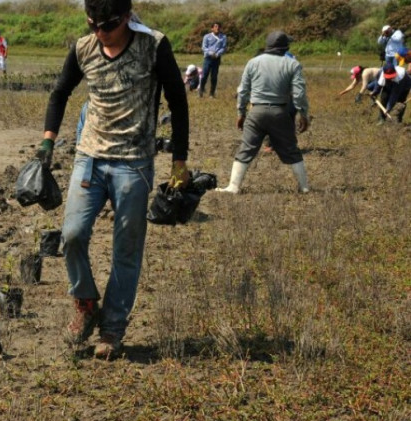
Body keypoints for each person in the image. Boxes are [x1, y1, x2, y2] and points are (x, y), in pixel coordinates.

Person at [37, 0, 189, 356]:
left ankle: (113, 329)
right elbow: (60, 92)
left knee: (126, 248)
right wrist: (47, 141)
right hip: (89, 157)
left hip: (133, 164)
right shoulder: (84, 47)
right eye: (94, 25)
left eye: (108, 26)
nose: (100, 33)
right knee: (72, 234)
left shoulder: (153, 44)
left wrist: (179, 161)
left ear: (127, 16)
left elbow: (178, 101)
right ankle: (86, 304)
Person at [218, 31, 310, 195]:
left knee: (245, 149)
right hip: (280, 113)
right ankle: (303, 187)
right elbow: (299, 94)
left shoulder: (252, 62)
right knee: (291, 149)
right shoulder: (292, 64)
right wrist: (303, 114)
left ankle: (233, 186)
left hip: (256, 112)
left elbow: (243, 91)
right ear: (285, 47)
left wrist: (241, 113)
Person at [198, 22, 227, 97]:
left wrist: (217, 54)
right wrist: (211, 53)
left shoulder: (223, 37)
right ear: (212, 28)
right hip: (208, 58)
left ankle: (212, 93)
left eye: (218, 27)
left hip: (216, 58)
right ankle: (201, 91)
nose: (217, 28)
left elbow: (223, 48)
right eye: (215, 26)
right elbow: (204, 47)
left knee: (214, 76)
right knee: (204, 75)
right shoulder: (207, 37)